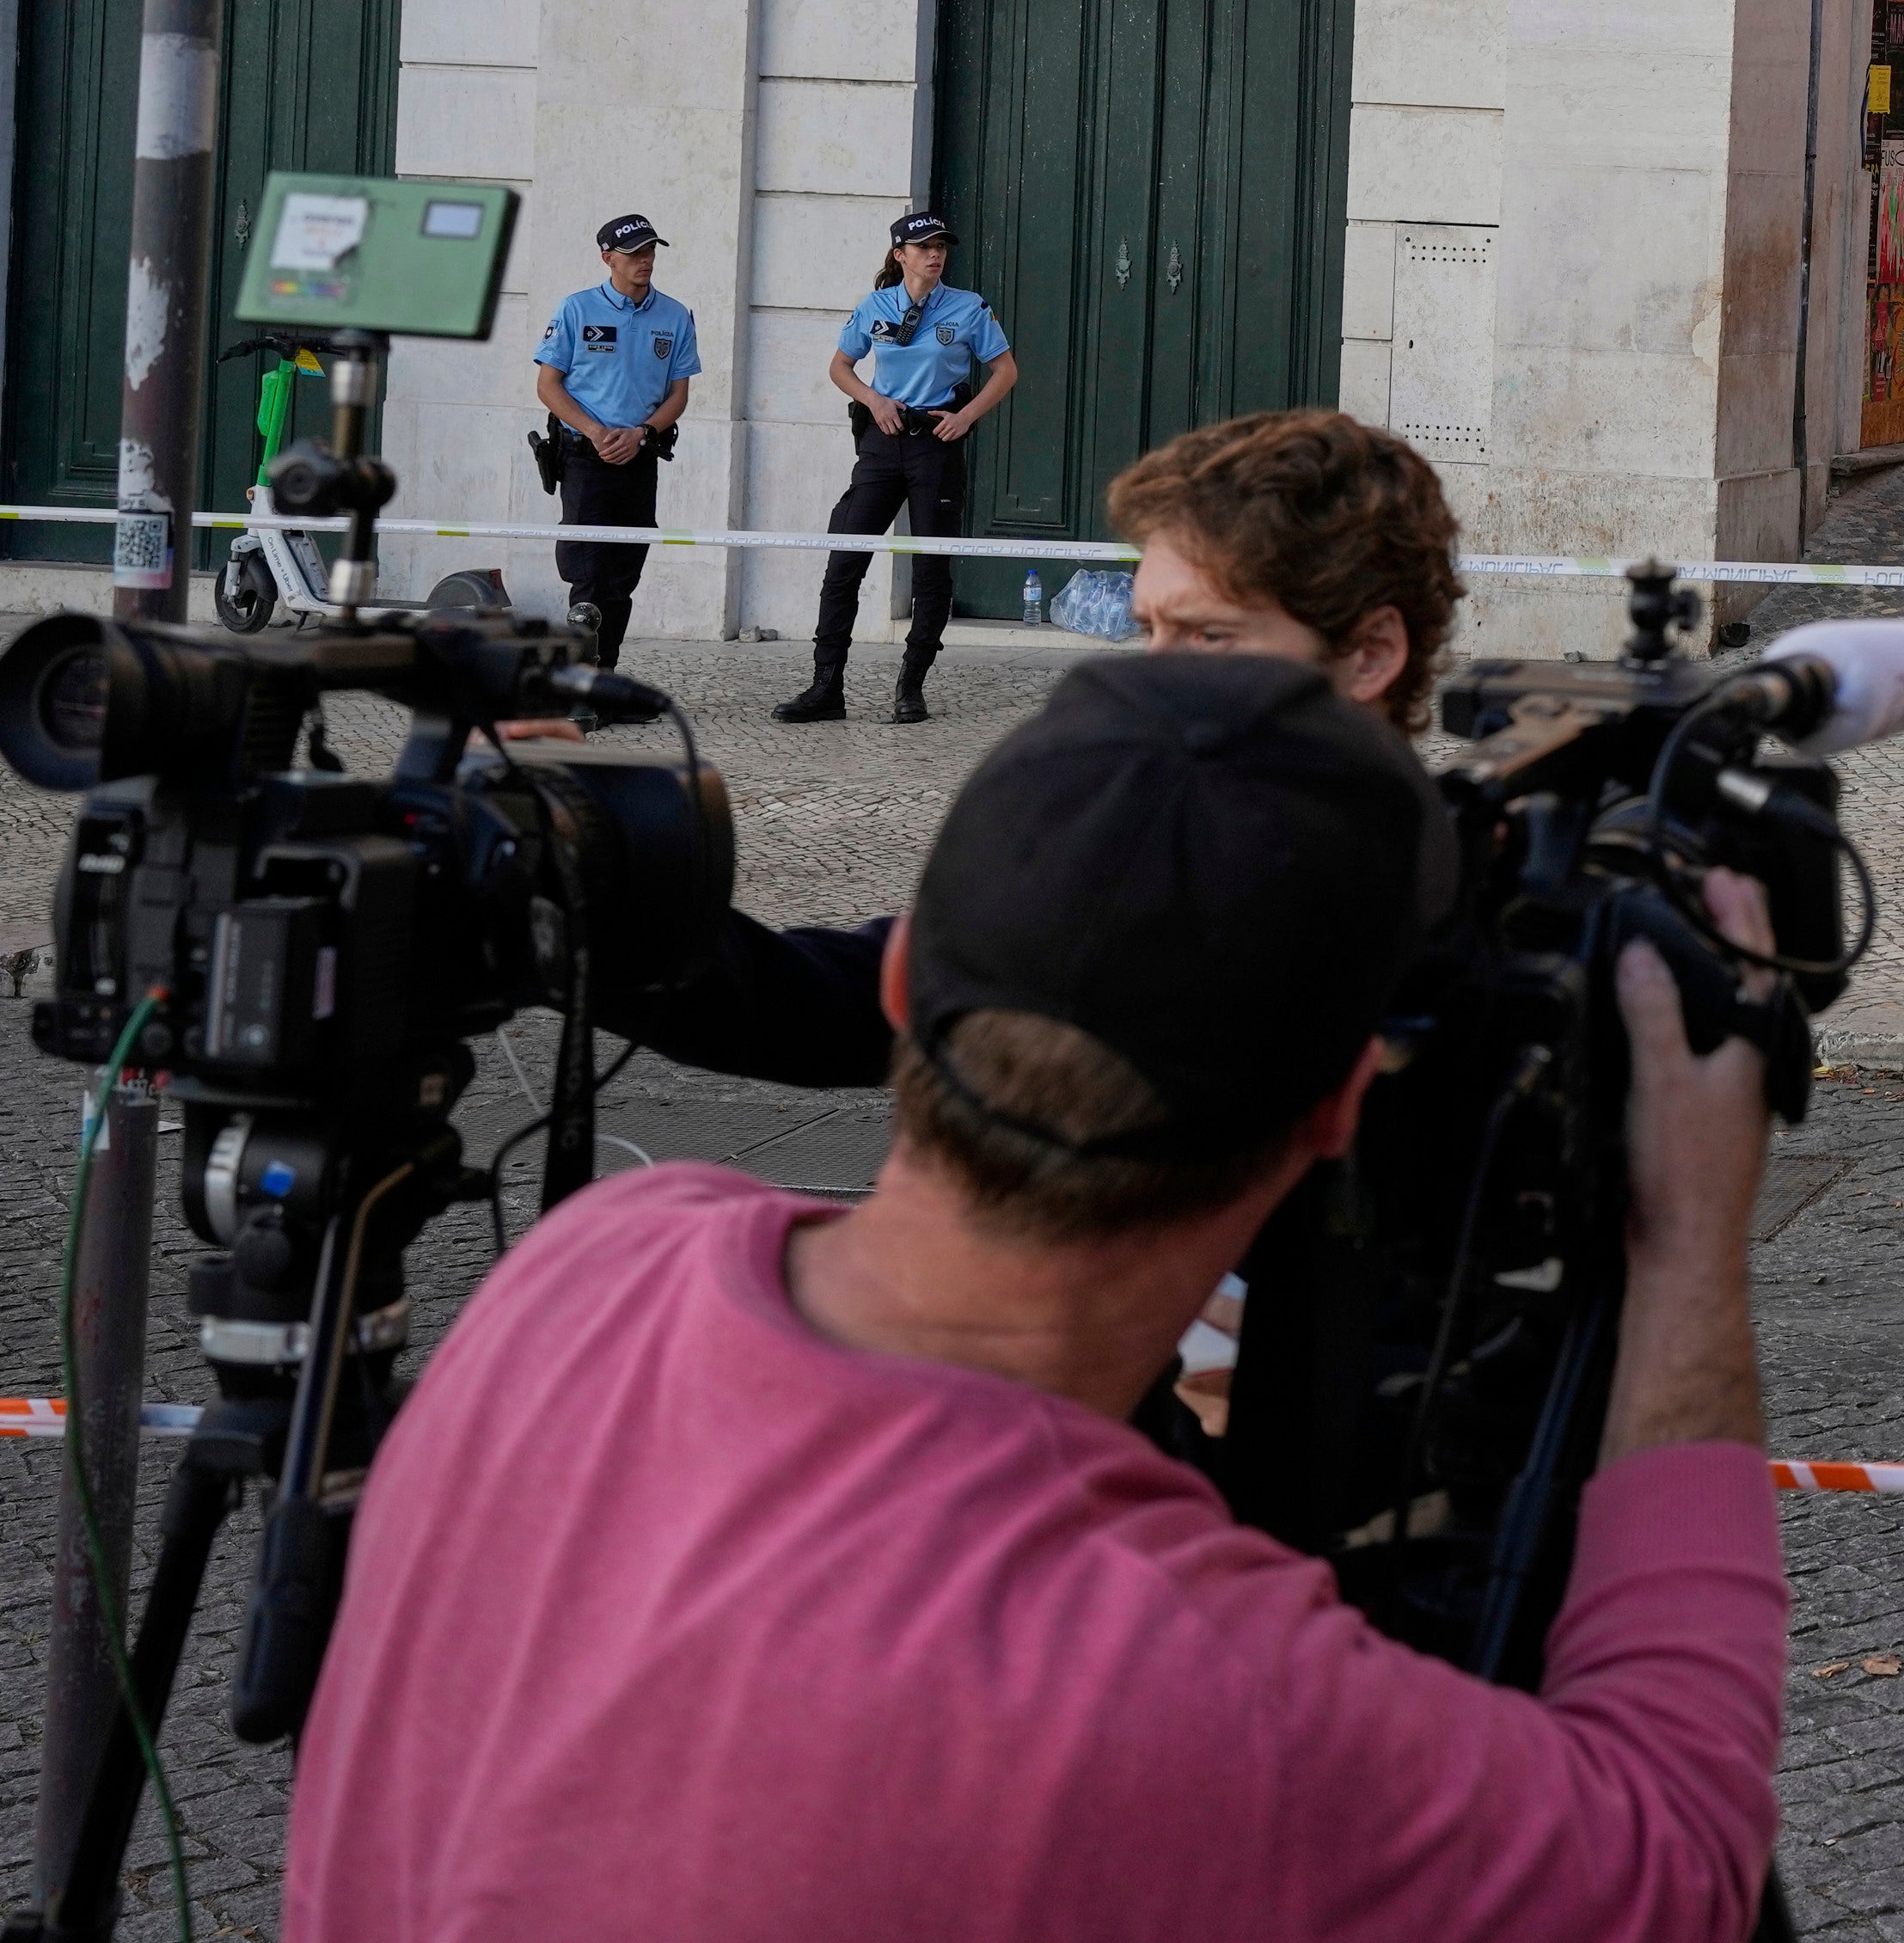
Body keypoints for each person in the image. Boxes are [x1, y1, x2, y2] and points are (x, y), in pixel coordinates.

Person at [285, 654, 1788, 1941]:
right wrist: (1685, 1241)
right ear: (1335, 1105)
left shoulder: (586, 1272)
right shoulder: (1192, 1686)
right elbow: (1676, 1850)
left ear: (899, 996)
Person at [628, 406, 1464, 1087]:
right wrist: (586, 899)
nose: (1154, 677)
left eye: (1211, 636)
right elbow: (828, 1004)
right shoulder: (1128, 849)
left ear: (1370, 653)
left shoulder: (1469, 913)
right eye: (1149, 630)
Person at [782, 210, 1020, 727]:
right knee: (845, 557)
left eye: (941, 247)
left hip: (934, 444)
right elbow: (839, 367)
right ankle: (826, 687)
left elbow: (1006, 371)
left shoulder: (968, 307)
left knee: (931, 567)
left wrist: (965, 417)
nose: (935, 255)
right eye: (924, 247)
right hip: (882, 443)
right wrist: (874, 401)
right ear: (900, 255)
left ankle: (911, 686)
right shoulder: (875, 305)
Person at [526, 213, 698, 674]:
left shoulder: (675, 314)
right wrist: (597, 432)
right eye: (634, 254)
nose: (646, 261)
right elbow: (548, 386)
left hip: (640, 457)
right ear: (608, 259)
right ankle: (577, 684)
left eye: (650, 252)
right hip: (586, 459)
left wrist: (642, 433)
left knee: (624, 575)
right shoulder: (576, 309)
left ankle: (605, 678)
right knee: (589, 576)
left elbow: (678, 394)